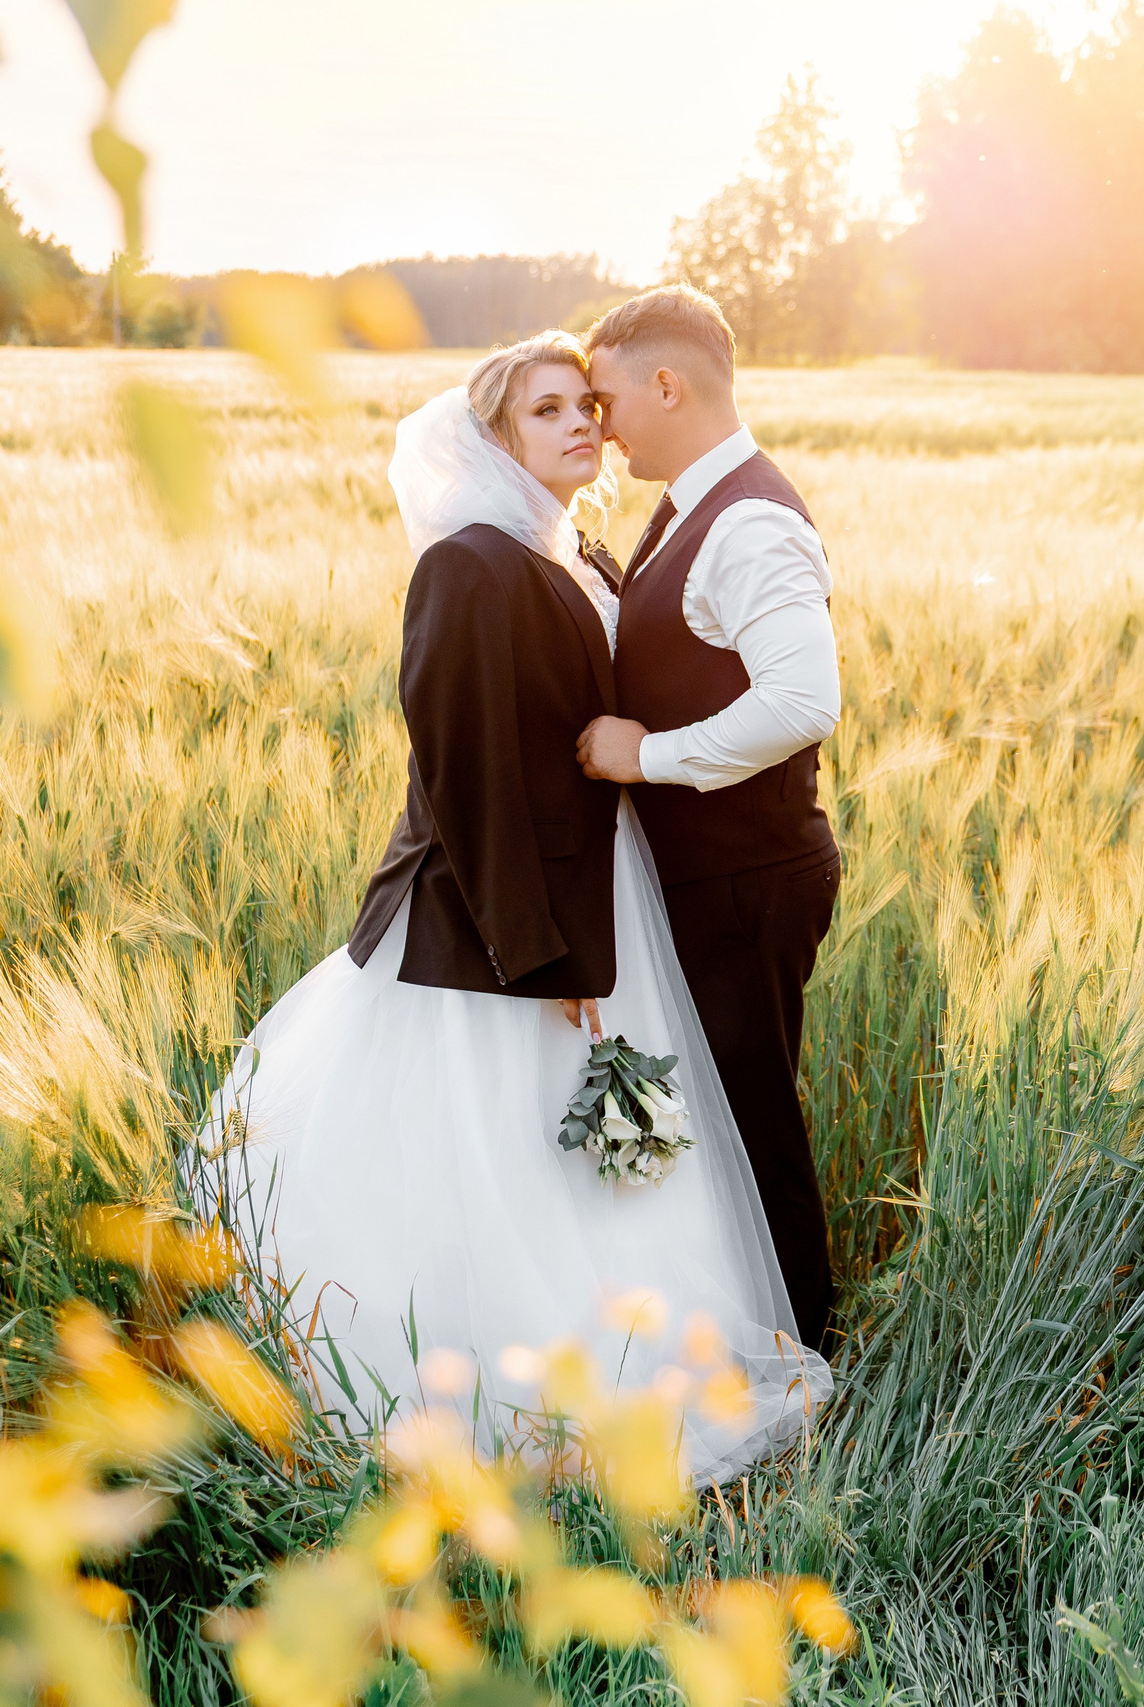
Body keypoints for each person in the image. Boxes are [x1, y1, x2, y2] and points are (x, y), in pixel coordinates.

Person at [201, 331, 828, 1485]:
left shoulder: (573, 550)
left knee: (583, 1155)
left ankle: (625, 1341)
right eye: (548, 410)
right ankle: (495, 1384)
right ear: (495, 436)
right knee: (495, 1142)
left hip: (607, 892)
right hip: (502, 925)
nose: (584, 422)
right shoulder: (469, 565)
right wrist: (541, 960)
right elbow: (466, 776)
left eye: (588, 403)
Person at [575, 287, 845, 1353]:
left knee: (751, 1119)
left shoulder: (750, 520)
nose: (599, 426)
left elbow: (800, 700)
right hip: (711, 877)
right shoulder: (691, 502)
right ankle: (748, 1331)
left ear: (666, 384)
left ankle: (808, 1351)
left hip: (747, 877)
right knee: (722, 1122)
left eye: (606, 399)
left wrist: (646, 756)